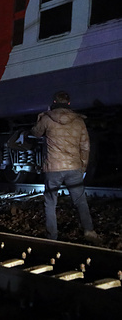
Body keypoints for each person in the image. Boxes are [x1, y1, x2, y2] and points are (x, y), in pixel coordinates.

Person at [30, 91, 99, 243]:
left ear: (54, 102)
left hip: (53, 169)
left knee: (50, 202)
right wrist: (83, 167)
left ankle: (52, 237)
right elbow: (85, 146)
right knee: (80, 200)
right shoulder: (79, 122)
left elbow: (36, 133)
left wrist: (39, 118)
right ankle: (89, 231)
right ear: (69, 103)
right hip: (73, 167)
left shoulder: (47, 119)